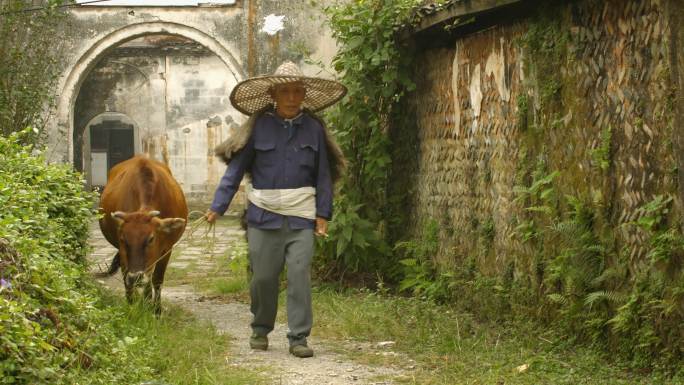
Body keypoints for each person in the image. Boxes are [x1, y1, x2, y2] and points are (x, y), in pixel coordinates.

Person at [205, 61, 346, 358]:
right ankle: (260, 327)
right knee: (264, 277)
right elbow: (235, 170)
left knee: (299, 274)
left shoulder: (314, 129)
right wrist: (217, 207)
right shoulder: (258, 127)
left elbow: (324, 175)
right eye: (285, 91)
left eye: (297, 91)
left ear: (304, 93)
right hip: (263, 216)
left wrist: (323, 214)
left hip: (302, 217)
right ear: (273, 93)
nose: (292, 97)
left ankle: (298, 337)